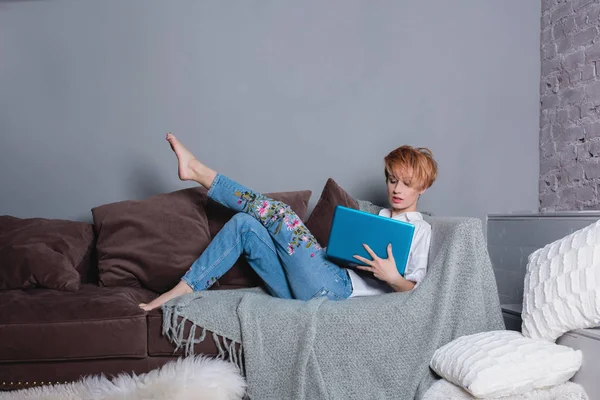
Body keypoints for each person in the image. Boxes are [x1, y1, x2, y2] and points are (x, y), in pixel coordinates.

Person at [139, 133, 437, 311]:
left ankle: (198, 171)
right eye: (393, 180)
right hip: (307, 286)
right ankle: (182, 290)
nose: (397, 190)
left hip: (337, 291)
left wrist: (392, 277)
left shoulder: (420, 230)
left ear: (422, 188)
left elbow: (417, 292)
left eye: (407, 184)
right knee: (244, 223)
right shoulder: (378, 217)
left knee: (280, 213)